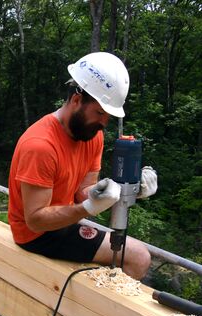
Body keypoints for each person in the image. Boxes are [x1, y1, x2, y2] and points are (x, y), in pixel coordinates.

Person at [8, 52, 157, 280]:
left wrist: (127, 189)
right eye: (99, 113)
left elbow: (83, 191)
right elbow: (36, 220)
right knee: (138, 257)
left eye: (107, 116)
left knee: (135, 254)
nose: (104, 123)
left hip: (64, 222)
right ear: (76, 100)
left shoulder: (90, 134)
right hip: (36, 234)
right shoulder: (40, 145)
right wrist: (87, 207)